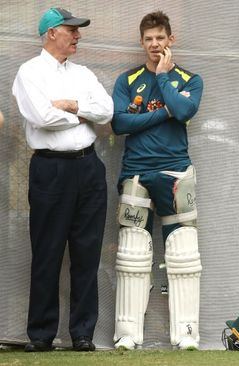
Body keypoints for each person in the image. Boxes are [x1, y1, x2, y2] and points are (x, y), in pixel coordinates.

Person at [12, 8, 113, 352]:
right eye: (72, 30)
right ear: (52, 32)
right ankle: (41, 334)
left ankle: (82, 333)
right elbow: (41, 117)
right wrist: (83, 115)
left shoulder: (82, 73)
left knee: (87, 253)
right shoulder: (29, 72)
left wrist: (71, 105)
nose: (78, 36)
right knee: (47, 251)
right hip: (50, 169)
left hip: (88, 168)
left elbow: (107, 111)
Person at [111, 10, 203, 350]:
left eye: (160, 38)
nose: (154, 44)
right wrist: (162, 111)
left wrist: (164, 78)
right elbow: (119, 124)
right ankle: (127, 334)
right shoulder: (127, 80)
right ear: (141, 42)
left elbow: (183, 112)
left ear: (170, 40)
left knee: (183, 251)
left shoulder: (190, 80)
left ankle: (186, 334)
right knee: (132, 250)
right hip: (136, 171)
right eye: (148, 39)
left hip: (176, 172)